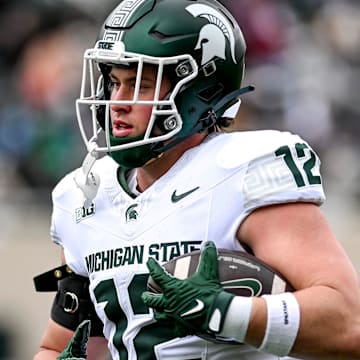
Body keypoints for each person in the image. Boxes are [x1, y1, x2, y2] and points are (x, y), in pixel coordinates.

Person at [33, 0, 360, 359]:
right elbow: (58, 345)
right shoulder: (82, 197)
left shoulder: (243, 171)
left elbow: (348, 324)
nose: (117, 102)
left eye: (141, 84)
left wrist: (228, 315)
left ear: (198, 91)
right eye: (114, 82)